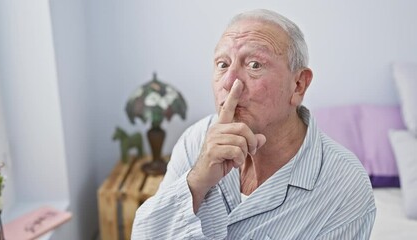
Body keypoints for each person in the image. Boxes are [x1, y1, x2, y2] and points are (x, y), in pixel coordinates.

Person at [131, 9, 376, 239]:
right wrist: (196, 182)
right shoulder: (197, 139)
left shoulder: (346, 185)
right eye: (222, 64)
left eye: (254, 65)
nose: (229, 82)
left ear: (298, 85)